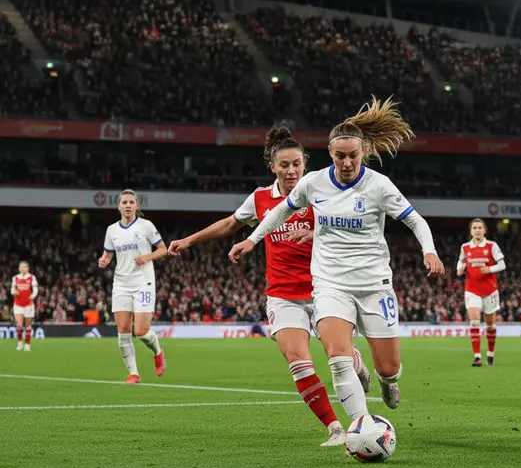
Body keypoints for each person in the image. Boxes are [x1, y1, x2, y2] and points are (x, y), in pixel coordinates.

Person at [229, 97, 446, 428]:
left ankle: (389, 383)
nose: (347, 162)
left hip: (374, 285)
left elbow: (415, 220)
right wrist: (251, 239)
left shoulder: (378, 185)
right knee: (339, 360)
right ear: (331, 154)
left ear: (363, 153)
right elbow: (281, 211)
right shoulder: (313, 182)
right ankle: (361, 427)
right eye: (340, 156)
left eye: (353, 156)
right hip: (330, 285)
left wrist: (428, 250)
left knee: (388, 368)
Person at [168, 126, 371, 447]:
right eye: (284, 165)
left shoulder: (324, 191)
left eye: (296, 165)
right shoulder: (261, 198)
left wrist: (314, 234)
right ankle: (336, 428)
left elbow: (355, 230)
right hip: (283, 296)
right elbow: (231, 223)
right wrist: (189, 239)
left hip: (327, 290)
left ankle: (356, 364)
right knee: (297, 359)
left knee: (338, 358)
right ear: (272, 167)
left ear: (305, 164)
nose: (290, 171)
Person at [98, 190, 167, 383]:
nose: (128, 205)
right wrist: (105, 260)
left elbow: (163, 250)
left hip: (143, 282)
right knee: (123, 331)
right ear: (118, 206)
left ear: (137, 206)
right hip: (121, 283)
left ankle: (157, 351)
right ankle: (133, 373)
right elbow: (109, 254)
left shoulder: (146, 226)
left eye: (131, 202)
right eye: (124, 202)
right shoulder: (112, 230)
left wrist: (147, 256)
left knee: (141, 331)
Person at [456, 219, 506, 366]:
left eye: (480, 227)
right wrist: (459, 269)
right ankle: (477, 356)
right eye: (474, 228)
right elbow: (461, 261)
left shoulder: (492, 246)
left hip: (490, 290)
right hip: (472, 290)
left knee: (490, 325)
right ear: (470, 231)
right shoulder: (465, 247)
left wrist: (489, 269)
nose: (477, 230)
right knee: (475, 322)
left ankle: (490, 353)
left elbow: (502, 265)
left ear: (485, 230)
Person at [11, 261, 38, 351]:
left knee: (27, 325)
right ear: (19, 268)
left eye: (24, 267)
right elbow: (12, 289)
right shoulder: (15, 278)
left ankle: (27, 344)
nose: (22, 268)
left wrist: (33, 295)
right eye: (21, 267)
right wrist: (14, 292)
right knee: (19, 324)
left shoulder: (31, 277)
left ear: (28, 268)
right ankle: (19, 343)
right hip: (18, 304)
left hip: (28, 304)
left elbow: (35, 289)